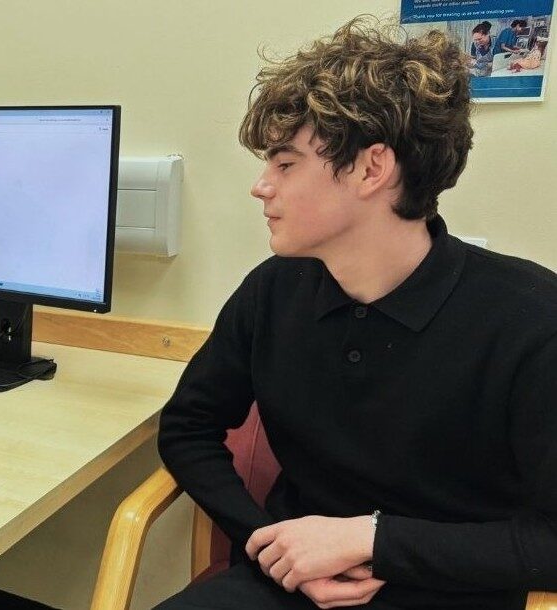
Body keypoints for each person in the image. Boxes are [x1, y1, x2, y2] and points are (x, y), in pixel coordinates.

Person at [157, 15, 557, 610]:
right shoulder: (273, 291)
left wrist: (367, 537)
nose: (261, 187)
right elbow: (187, 428)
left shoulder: (530, 319)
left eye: (285, 164)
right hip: (289, 584)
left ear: (373, 168)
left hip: (445, 589)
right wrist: (268, 543)